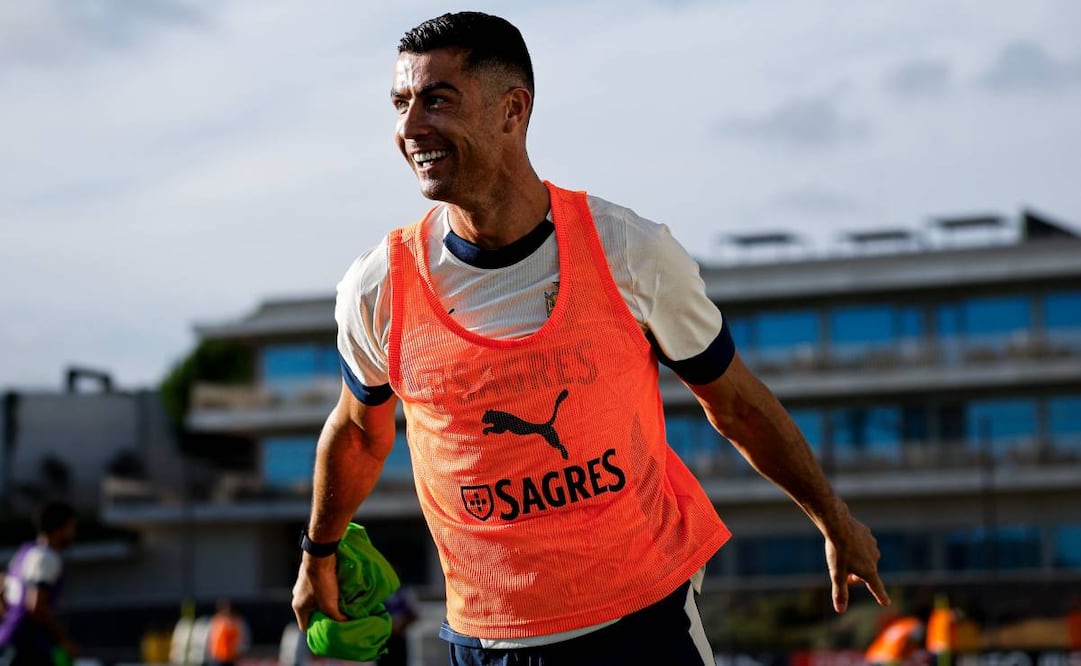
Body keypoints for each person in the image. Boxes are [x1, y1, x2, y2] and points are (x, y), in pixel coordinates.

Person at [291, 11, 889, 665]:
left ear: (511, 111)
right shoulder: (379, 286)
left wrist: (832, 516)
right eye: (400, 103)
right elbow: (358, 430)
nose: (409, 128)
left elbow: (736, 403)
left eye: (437, 100)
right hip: (485, 640)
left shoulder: (626, 250)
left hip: (640, 626)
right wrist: (318, 550)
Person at [0, 501, 79, 666]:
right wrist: (64, 641)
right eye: (71, 527)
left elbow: (3, 590)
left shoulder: (25, 552)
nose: (73, 532)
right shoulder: (47, 557)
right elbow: (36, 606)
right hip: (25, 647)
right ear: (60, 529)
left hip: (8, 641)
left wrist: (10, 621)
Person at [205, 598, 249, 666]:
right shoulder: (216, 621)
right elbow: (210, 639)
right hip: (217, 656)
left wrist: (240, 651)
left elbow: (242, 639)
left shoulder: (236, 621)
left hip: (231, 657)